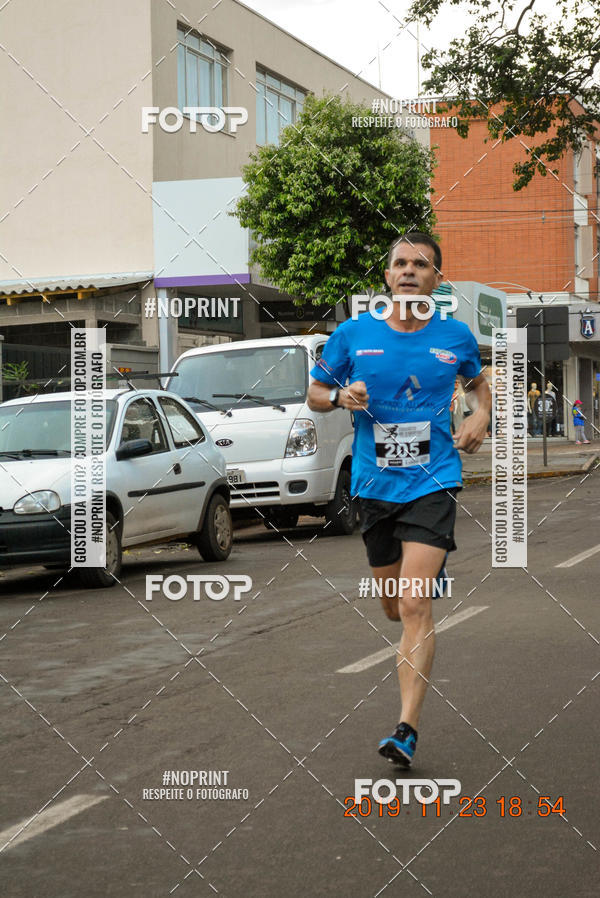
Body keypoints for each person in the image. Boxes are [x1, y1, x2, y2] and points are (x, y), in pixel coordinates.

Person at [307, 233, 491, 767]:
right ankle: (412, 593)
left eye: (421, 264)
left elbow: (478, 386)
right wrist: (340, 395)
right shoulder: (353, 334)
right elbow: (314, 395)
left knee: (414, 603)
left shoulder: (455, 336)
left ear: (436, 279)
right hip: (374, 485)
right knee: (392, 605)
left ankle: (406, 728)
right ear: (388, 276)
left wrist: (481, 415)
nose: (409, 271)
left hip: (434, 480)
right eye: (401, 263)